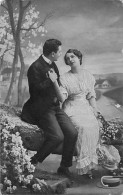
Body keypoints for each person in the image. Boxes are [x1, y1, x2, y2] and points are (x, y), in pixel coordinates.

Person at [48, 49, 120, 177]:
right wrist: (54, 82)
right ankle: (85, 166)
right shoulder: (64, 78)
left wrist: (95, 111)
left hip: (85, 108)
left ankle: (90, 166)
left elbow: (91, 96)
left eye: (72, 56)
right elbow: (62, 99)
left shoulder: (88, 75)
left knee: (94, 126)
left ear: (79, 58)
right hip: (71, 108)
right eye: (67, 58)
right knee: (83, 128)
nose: (70, 59)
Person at [21, 40, 78, 177]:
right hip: (40, 108)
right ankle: (32, 162)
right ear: (53, 53)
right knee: (57, 137)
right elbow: (35, 92)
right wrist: (50, 80)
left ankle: (64, 167)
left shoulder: (53, 64)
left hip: (54, 107)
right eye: (59, 52)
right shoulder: (35, 67)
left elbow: (56, 85)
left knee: (72, 132)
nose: (60, 54)